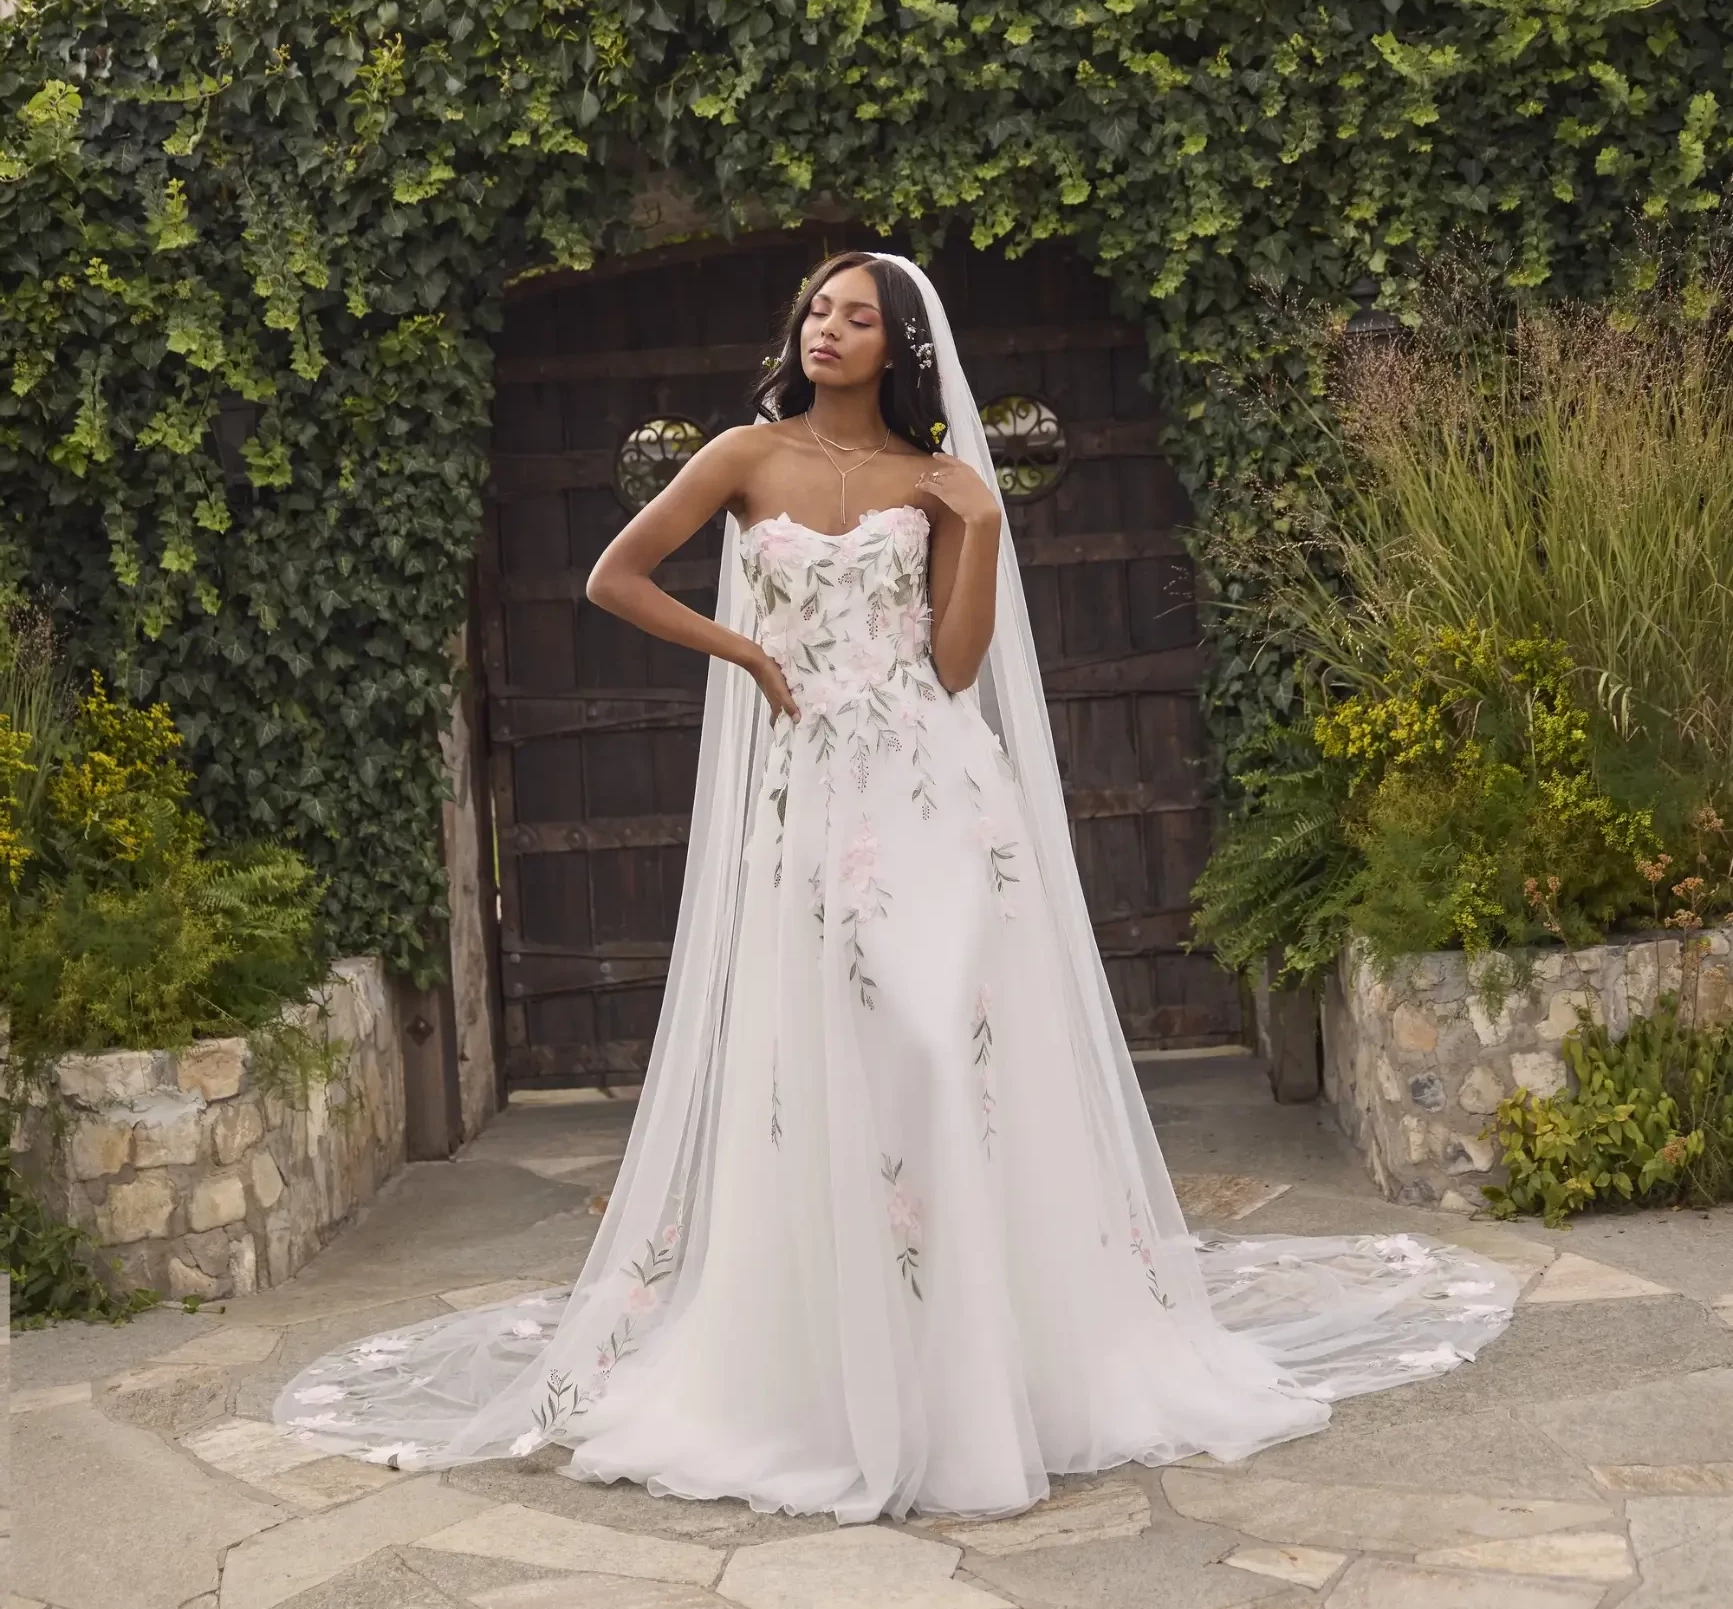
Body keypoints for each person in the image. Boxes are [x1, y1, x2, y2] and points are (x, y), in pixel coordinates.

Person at [275, 251, 1516, 1520]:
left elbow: (958, 665)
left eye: (855, 315)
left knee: (947, 1049)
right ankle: (848, 1370)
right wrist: (745, 651)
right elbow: (615, 578)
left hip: (938, 797)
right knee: (845, 1060)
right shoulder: (743, 455)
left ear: (899, 346)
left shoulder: (936, 485)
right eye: (815, 307)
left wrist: (979, 524)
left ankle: (981, 1367)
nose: (825, 326)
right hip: (813, 804)